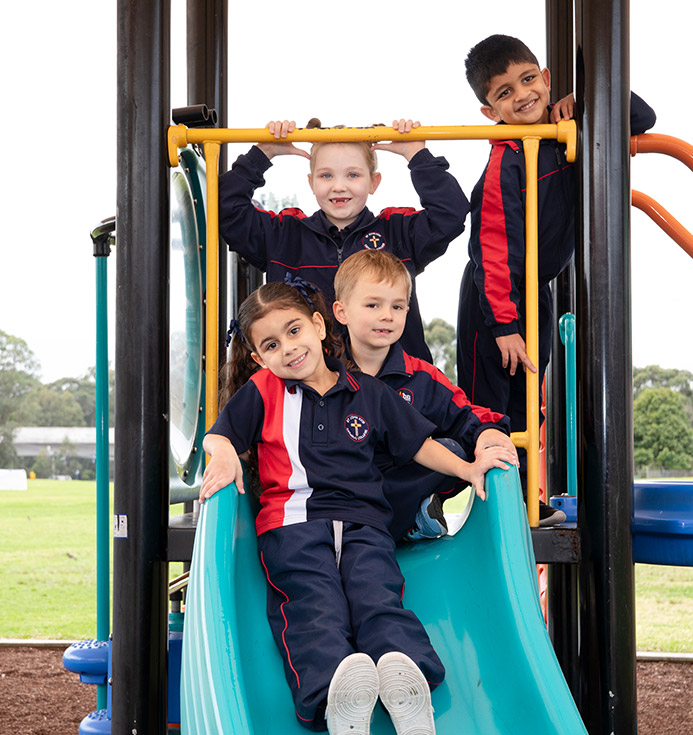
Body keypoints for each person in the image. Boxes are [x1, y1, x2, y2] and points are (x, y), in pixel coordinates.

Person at [199, 278, 517, 734]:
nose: (287, 349)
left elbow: (418, 444)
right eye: (271, 344)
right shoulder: (264, 392)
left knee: (379, 597)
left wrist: (467, 468)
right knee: (313, 606)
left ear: (317, 325)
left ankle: (408, 685)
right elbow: (221, 433)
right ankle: (336, 698)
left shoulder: (367, 392)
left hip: (365, 524)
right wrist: (225, 451)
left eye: (293, 331)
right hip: (292, 527)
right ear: (258, 358)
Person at [456, 34, 657, 524]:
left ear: (545, 79)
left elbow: (641, 118)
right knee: (488, 405)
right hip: (493, 298)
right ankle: (484, 505)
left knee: (530, 403)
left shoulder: (567, 127)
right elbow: (492, 248)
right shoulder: (508, 156)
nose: (522, 95)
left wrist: (585, 100)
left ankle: (524, 499)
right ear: (490, 111)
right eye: (504, 93)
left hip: (535, 292)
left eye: (528, 80)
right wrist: (503, 323)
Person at [218, 117, 470, 363]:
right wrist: (263, 154)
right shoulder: (284, 235)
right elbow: (225, 207)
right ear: (311, 182)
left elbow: (451, 212)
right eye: (326, 176)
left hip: (395, 387)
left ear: (374, 182)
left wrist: (416, 155)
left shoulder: (398, 231)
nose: (339, 186)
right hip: (312, 387)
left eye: (353, 175)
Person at [332, 249, 518, 541]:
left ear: (408, 311)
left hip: (393, 490)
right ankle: (405, 521)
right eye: (372, 305)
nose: (386, 316)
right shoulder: (323, 372)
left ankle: (410, 519)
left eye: (397, 307)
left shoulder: (420, 376)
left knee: (455, 450)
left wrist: (486, 434)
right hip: (337, 493)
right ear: (341, 312)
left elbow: (464, 416)